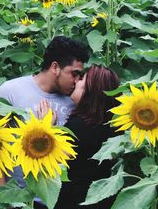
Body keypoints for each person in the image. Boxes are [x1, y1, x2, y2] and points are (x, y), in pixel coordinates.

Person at [0, 35, 89, 209]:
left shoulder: (72, 103)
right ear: (55, 67)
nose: (76, 81)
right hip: (15, 198)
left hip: (57, 200)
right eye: (74, 73)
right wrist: (0, 194)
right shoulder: (11, 91)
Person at [53, 64, 121, 209]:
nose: (76, 81)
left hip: (74, 202)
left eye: (82, 78)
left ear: (91, 87)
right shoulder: (114, 127)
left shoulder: (78, 127)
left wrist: (47, 128)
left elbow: (53, 161)